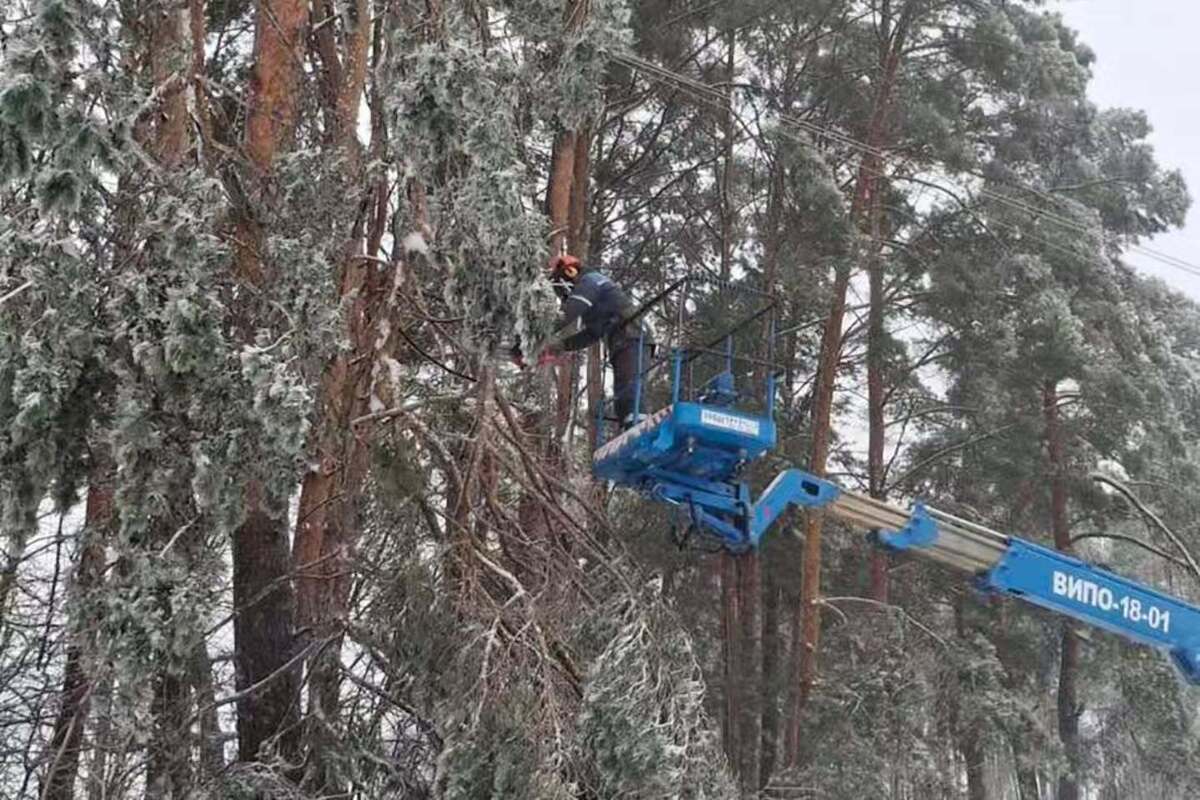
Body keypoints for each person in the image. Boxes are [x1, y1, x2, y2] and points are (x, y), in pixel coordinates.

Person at [539, 254, 654, 429]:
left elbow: (569, 312)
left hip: (633, 336)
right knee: (622, 395)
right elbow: (592, 334)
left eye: (561, 285)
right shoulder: (593, 304)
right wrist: (560, 346)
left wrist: (539, 332)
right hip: (619, 342)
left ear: (570, 272)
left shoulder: (591, 282)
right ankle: (629, 428)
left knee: (630, 387)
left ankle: (639, 427)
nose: (562, 293)